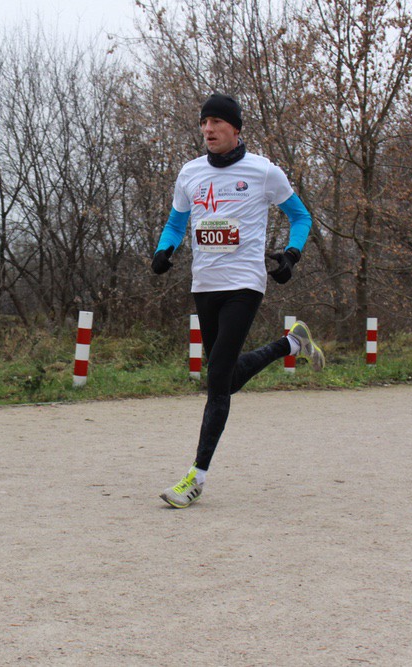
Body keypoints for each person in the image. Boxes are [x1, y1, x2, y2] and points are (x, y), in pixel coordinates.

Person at [152, 93, 323, 509]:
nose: (208, 129)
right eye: (203, 122)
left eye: (216, 121)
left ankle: (196, 478)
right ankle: (291, 343)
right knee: (224, 379)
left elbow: (301, 216)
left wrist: (292, 254)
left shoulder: (264, 171)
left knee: (217, 383)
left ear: (235, 128)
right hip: (204, 284)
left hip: (245, 284)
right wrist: (163, 249)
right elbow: (176, 222)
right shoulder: (190, 173)